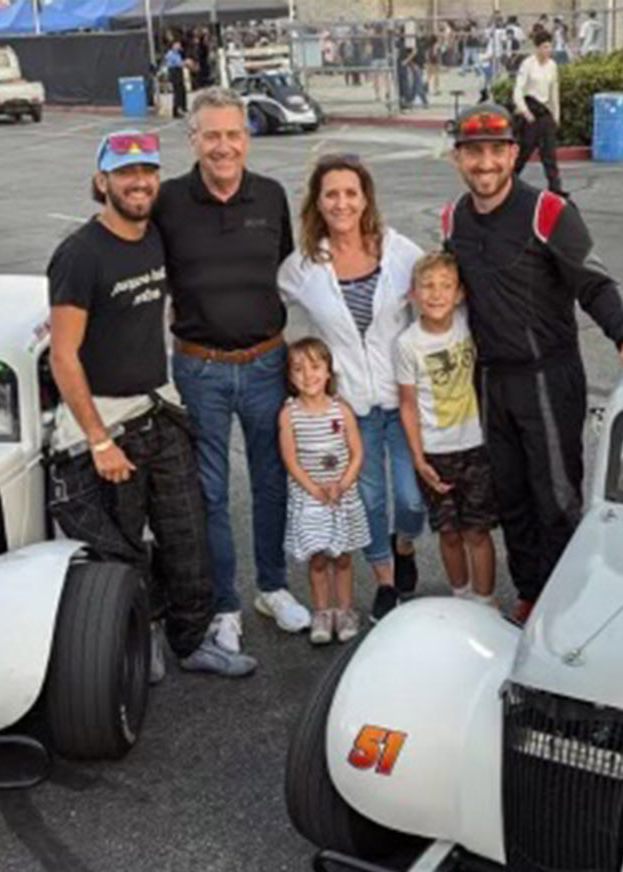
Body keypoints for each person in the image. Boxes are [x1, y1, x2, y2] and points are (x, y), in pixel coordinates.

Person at [440, 103, 623, 620]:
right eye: (472, 152)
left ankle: (572, 607)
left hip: (547, 375)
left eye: (495, 151)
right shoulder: (452, 218)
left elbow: (593, 279)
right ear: (458, 158)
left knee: (558, 498)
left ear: (513, 154)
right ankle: (531, 595)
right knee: (511, 496)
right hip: (490, 379)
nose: (484, 163)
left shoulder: (547, 212)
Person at [44, 131, 256, 679]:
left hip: (157, 411)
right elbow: (64, 357)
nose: (138, 183)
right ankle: (143, 640)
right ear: (101, 181)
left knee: (187, 537)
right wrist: (97, 440)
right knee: (124, 550)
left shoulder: (155, 237)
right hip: (109, 425)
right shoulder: (78, 255)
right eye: (124, 173)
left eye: (147, 172)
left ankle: (191, 643)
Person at [152, 87, 313, 654]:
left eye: (234, 135)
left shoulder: (269, 197)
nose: (224, 147)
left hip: (268, 363)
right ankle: (225, 604)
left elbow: (289, 273)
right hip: (200, 371)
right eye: (212, 135)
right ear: (193, 139)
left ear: (247, 138)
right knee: (211, 494)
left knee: (272, 483)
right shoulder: (168, 201)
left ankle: (272, 587)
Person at [277, 155, 426, 620]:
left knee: (410, 497)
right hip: (350, 408)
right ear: (318, 203)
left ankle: (404, 545)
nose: (342, 203)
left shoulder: (400, 252)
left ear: (365, 199)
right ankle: (384, 580)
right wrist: (303, 371)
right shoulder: (302, 266)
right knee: (370, 497)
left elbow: (440, 297)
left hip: (400, 399)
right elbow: (264, 310)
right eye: (331, 194)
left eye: (350, 193)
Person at [396, 252, 497, 608]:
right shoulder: (408, 344)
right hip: (435, 453)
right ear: (413, 294)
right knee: (450, 533)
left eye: (445, 286)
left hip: (475, 445)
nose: (436, 294)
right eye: (428, 286)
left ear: (460, 294)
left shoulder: (468, 323)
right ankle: (461, 597)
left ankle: (484, 602)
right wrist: (418, 457)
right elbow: (407, 404)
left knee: (477, 531)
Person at [279, 337, 370, 645]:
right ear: (290, 377)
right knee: (317, 557)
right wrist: (314, 489)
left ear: (329, 371)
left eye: (315, 367)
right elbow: (290, 460)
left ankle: (344, 611)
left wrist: (343, 484)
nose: (308, 375)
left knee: (343, 556)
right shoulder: (289, 414)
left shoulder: (341, 410)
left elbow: (357, 452)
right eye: (299, 369)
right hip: (310, 497)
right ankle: (321, 611)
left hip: (342, 494)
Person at [511, 30, 564, 196]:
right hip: (530, 109)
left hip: (544, 111)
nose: (547, 50)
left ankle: (555, 188)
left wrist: (556, 115)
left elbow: (554, 91)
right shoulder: (528, 64)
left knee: (550, 154)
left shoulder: (552, 66)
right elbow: (518, 91)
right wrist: (525, 112)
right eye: (544, 47)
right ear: (537, 48)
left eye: (550, 47)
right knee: (524, 152)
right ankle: (508, 183)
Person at [163, 36, 188, 118]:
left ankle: (182, 108)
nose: (179, 46)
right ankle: (176, 110)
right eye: (177, 45)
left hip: (179, 72)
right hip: (174, 72)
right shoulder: (170, 54)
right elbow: (178, 64)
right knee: (177, 92)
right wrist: (186, 63)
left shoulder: (178, 54)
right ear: (173, 45)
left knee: (182, 90)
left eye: (179, 45)